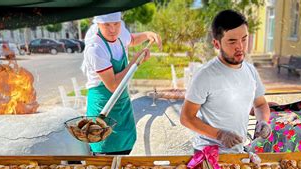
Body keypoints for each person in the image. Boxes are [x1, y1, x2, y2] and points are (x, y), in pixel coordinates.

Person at [180, 10, 271, 154]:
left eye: (244, 39)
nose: (240, 46)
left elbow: (260, 104)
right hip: (207, 153)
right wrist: (220, 135)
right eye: (232, 41)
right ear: (216, 44)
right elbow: (186, 118)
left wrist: (263, 121)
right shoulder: (205, 75)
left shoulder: (251, 71)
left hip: (237, 151)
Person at [81, 12, 161, 155]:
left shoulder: (119, 33)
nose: (112, 29)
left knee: (127, 156)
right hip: (104, 105)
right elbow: (113, 85)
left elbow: (132, 40)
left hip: (122, 104)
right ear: (98, 24)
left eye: (116, 24)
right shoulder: (95, 48)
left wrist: (148, 34)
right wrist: (135, 61)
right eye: (107, 25)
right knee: (105, 160)